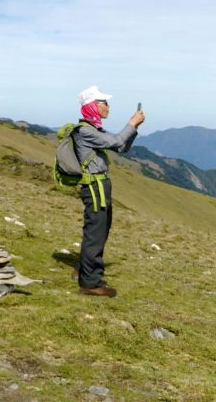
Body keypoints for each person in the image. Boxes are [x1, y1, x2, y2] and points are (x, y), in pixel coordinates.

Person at [73, 85, 145, 297]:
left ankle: (84, 270)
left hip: (99, 185)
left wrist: (134, 129)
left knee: (99, 231)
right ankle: (90, 283)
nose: (108, 106)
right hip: (95, 186)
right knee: (96, 231)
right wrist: (131, 124)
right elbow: (116, 141)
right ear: (93, 106)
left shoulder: (92, 129)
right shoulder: (86, 131)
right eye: (104, 103)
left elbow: (121, 147)